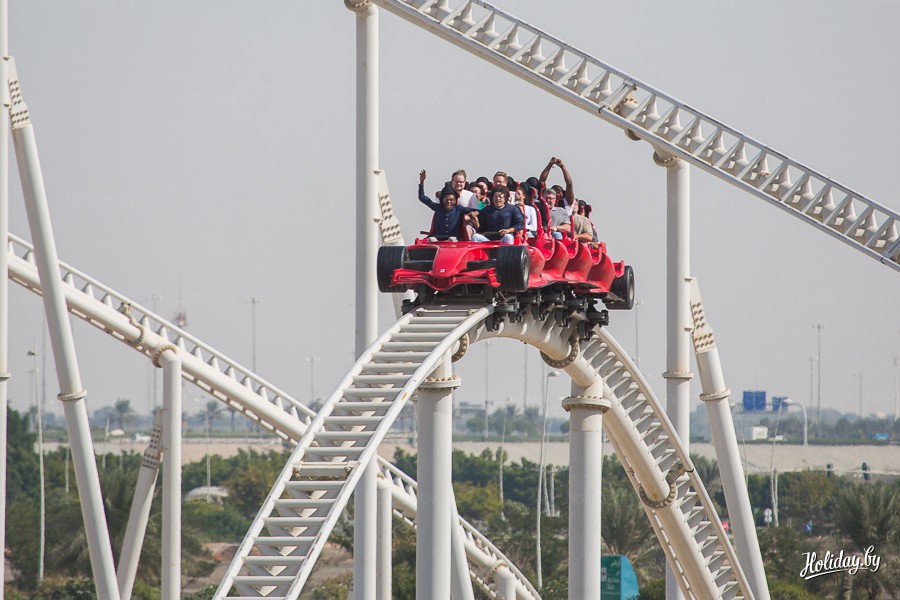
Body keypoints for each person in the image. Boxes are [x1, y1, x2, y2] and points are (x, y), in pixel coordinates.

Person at [418, 169, 477, 239]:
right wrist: (421, 183)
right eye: (446, 200)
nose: (449, 202)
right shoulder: (438, 207)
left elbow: (477, 211)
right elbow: (422, 198)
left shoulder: (460, 208)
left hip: (458, 236)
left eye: (451, 200)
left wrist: (470, 217)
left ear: (455, 201)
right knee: (431, 239)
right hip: (438, 237)